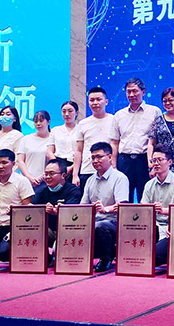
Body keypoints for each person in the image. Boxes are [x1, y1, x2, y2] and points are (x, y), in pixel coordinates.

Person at [80, 141, 129, 272]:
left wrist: (105, 209)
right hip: (93, 221)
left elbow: (122, 206)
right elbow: (83, 206)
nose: (95, 161)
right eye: (93, 158)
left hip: (114, 222)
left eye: (99, 157)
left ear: (110, 157)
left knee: (100, 226)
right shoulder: (90, 180)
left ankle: (106, 259)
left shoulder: (120, 178)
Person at [110, 77, 161, 202]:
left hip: (144, 160)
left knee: (146, 197)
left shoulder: (154, 112)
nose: (131, 95)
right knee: (123, 198)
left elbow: (157, 141)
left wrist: (154, 164)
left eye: (135, 91)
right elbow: (115, 143)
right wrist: (114, 165)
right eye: (128, 92)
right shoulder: (119, 115)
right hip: (124, 161)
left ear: (143, 92)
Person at [142, 151, 174, 267]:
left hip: (173, 227)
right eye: (153, 160)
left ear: (170, 162)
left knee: (152, 257)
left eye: (160, 160)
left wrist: (163, 210)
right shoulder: (149, 184)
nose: (156, 163)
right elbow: (143, 210)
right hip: (153, 226)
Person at [33, 159, 82, 261]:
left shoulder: (73, 191)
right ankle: (45, 259)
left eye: (51, 174)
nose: (47, 177)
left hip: (68, 231)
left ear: (63, 175)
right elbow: (33, 212)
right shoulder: (41, 191)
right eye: (46, 174)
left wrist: (56, 212)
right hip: (49, 231)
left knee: (58, 251)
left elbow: (72, 214)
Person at [147, 87, 174, 179]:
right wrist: (151, 164)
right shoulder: (158, 120)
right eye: (164, 101)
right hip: (162, 165)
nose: (167, 103)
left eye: (171, 100)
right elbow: (151, 144)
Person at [75, 87, 115, 191]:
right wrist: (75, 174)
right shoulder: (83, 123)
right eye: (92, 100)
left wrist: (114, 166)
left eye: (99, 99)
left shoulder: (114, 120)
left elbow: (116, 145)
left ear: (106, 102)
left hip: (108, 170)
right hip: (87, 170)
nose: (95, 103)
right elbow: (78, 150)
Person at [17, 110, 56, 193]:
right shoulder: (26, 139)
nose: (38, 123)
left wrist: (41, 177)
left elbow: (54, 162)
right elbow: (20, 161)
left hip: (45, 181)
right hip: (26, 180)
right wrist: (30, 177)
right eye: (35, 121)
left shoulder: (53, 139)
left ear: (48, 121)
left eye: (41, 121)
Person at [50, 101, 80, 177]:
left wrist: (71, 168)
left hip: (77, 165)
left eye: (70, 111)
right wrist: (58, 166)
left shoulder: (81, 130)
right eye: (64, 111)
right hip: (58, 166)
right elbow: (49, 151)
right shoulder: (55, 130)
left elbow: (82, 151)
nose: (66, 114)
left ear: (77, 113)